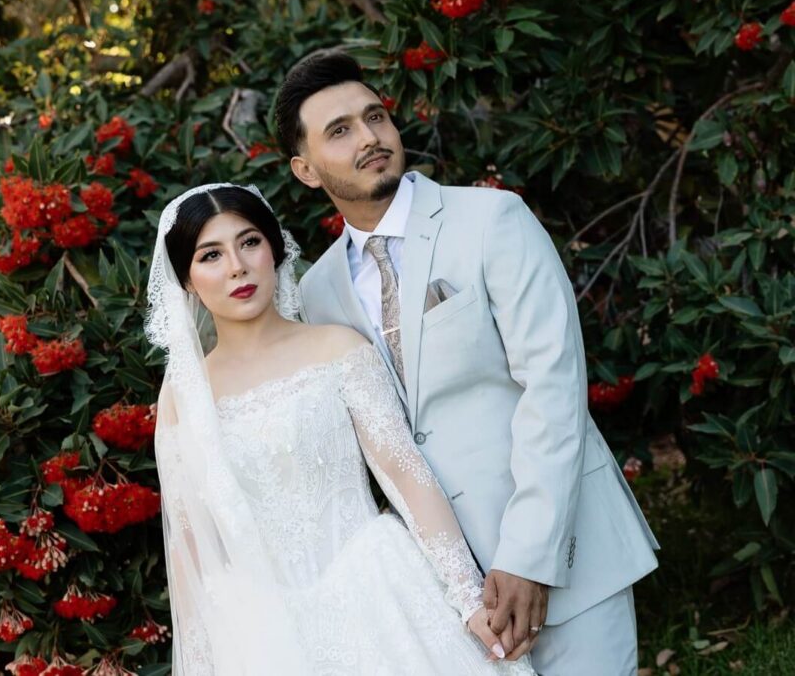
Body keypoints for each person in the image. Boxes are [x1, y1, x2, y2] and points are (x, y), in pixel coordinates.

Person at [277, 51, 660, 674]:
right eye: (339, 131)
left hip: (567, 552)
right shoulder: (319, 293)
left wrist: (528, 557)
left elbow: (553, 388)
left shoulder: (492, 219)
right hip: (442, 595)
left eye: (375, 116)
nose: (369, 137)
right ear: (305, 170)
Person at [146, 183, 535, 675]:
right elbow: (190, 550)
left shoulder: (337, 348)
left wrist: (467, 597)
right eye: (211, 255)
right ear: (186, 280)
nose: (237, 267)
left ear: (273, 250)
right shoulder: (183, 398)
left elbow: (405, 473)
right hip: (265, 635)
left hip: (377, 596)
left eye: (249, 242)